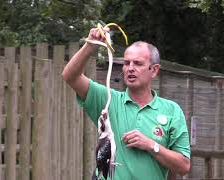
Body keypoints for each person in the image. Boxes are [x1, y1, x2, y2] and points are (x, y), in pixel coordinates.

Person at [62, 27, 191, 180]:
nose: (130, 68)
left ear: (154, 70)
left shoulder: (172, 111)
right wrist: (90, 45)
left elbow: (184, 166)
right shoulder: (108, 99)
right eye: (126, 63)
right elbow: (70, 76)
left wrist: (151, 145)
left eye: (137, 63)